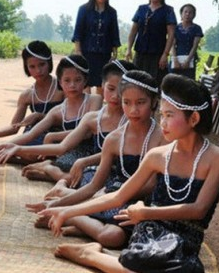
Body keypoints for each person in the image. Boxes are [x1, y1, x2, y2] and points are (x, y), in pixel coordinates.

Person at [43, 74, 219, 273]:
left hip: (187, 237)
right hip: (153, 229)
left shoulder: (214, 158)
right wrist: (68, 211)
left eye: (170, 116)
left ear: (194, 118)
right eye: (162, 115)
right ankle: (92, 255)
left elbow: (198, 210)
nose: (163, 123)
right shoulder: (157, 156)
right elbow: (119, 196)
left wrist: (145, 212)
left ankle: (92, 255)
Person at [27, 71, 166, 249]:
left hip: (139, 202)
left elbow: (151, 185)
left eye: (141, 103)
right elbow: (94, 186)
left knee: (114, 237)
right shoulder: (114, 139)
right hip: (114, 198)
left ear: (154, 102)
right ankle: (69, 215)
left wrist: (115, 196)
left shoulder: (162, 137)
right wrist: (55, 205)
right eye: (127, 102)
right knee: (113, 235)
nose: (133, 110)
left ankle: (73, 218)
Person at [19, 60, 136, 185]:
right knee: (80, 172)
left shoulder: (132, 119)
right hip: (92, 163)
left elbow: (114, 155)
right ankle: (56, 172)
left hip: (113, 167)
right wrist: (16, 148)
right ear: (102, 85)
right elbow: (61, 147)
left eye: (121, 91)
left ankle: (53, 172)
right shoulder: (93, 118)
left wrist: (85, 161)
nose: (115, 96)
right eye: (111, 89)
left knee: (88, 179)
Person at [0, 54, 102, 171]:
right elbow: (31, 134)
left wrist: (53, 136)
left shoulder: (93, 100)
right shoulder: (58, 110)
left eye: (78, 80)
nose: (72, 85)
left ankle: (46, 169)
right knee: (52, 157)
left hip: (88, 151)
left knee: (71, 165)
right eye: (67, 81)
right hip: (65, 150)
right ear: (60, 82)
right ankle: (43, 167)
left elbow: (87, 133)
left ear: (85, 81)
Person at [0, 41, 64, 154]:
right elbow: (14, 127)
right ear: (26, 67)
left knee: (26, 154)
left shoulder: (62, 88)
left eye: (42, 64)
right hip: (32, 137)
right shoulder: (27, 95)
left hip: (57, 136)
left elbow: (73, 119)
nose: (38, 70)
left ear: (49, 63)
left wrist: (40, 116)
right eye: (32, 66)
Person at [72, 0, 121, 95]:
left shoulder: (112, 12)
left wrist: (114, 54)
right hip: (86, 54)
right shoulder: (83, 10)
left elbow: (114, 34)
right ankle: (86, 111)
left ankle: (98, 110)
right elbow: (78, 32)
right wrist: (78, 52)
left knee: (101, 85)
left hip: (104, 54)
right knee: (85, 83)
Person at [126, 0, 177, 85]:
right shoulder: (141, 9)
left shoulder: (168, 11)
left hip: (157, 55)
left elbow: (171, 35)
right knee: (136, 82)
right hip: (140, 53)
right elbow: (133, 31)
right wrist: (129, 49)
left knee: (154, 84)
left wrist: (165, 54)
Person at [169, 3, 204, 80]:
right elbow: (172, 44)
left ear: (194, 15)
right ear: (181, 14)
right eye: (185, 12)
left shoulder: (197, 28)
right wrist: (175, 59)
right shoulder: (175, 28)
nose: (187, 14)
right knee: (172, 82)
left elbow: (195, 46)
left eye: (190, 12)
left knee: (187, 84)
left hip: (190, 60)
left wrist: (188, 61)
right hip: (176, 59)